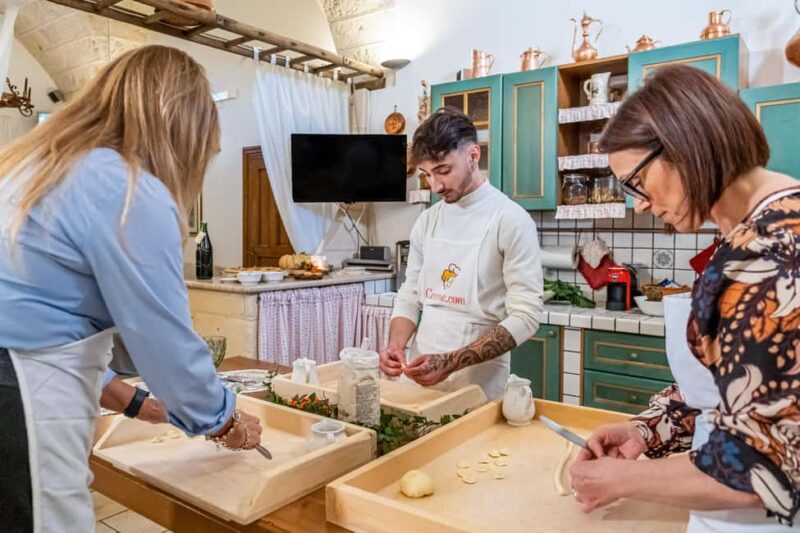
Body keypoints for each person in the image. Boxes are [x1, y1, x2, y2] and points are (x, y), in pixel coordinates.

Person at [0, 45, 263, 533]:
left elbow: (46, 314)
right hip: (19, 394)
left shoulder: (41, 164)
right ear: (183, 130)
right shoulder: (126, 188)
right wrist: (224, 419)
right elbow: (165, 344)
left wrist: (138, 403)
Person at [569, 64, 799, 531]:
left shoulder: (764, 256)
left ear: (683, 145)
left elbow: (765, 468)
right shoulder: (762, 224)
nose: (639, 203)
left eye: (636, 182)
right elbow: (743, 386)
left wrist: (624, 480)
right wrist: (650, 428)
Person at [379, 108, 544, 401]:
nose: (436, 185)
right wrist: (396, 344)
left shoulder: (510, 220)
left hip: (478, 382)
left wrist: (452, 361)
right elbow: (409, 295)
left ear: (473, 155)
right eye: (427, 175)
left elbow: (527, 316)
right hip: (418, 376)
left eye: (443, 170)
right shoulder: (427, 221)